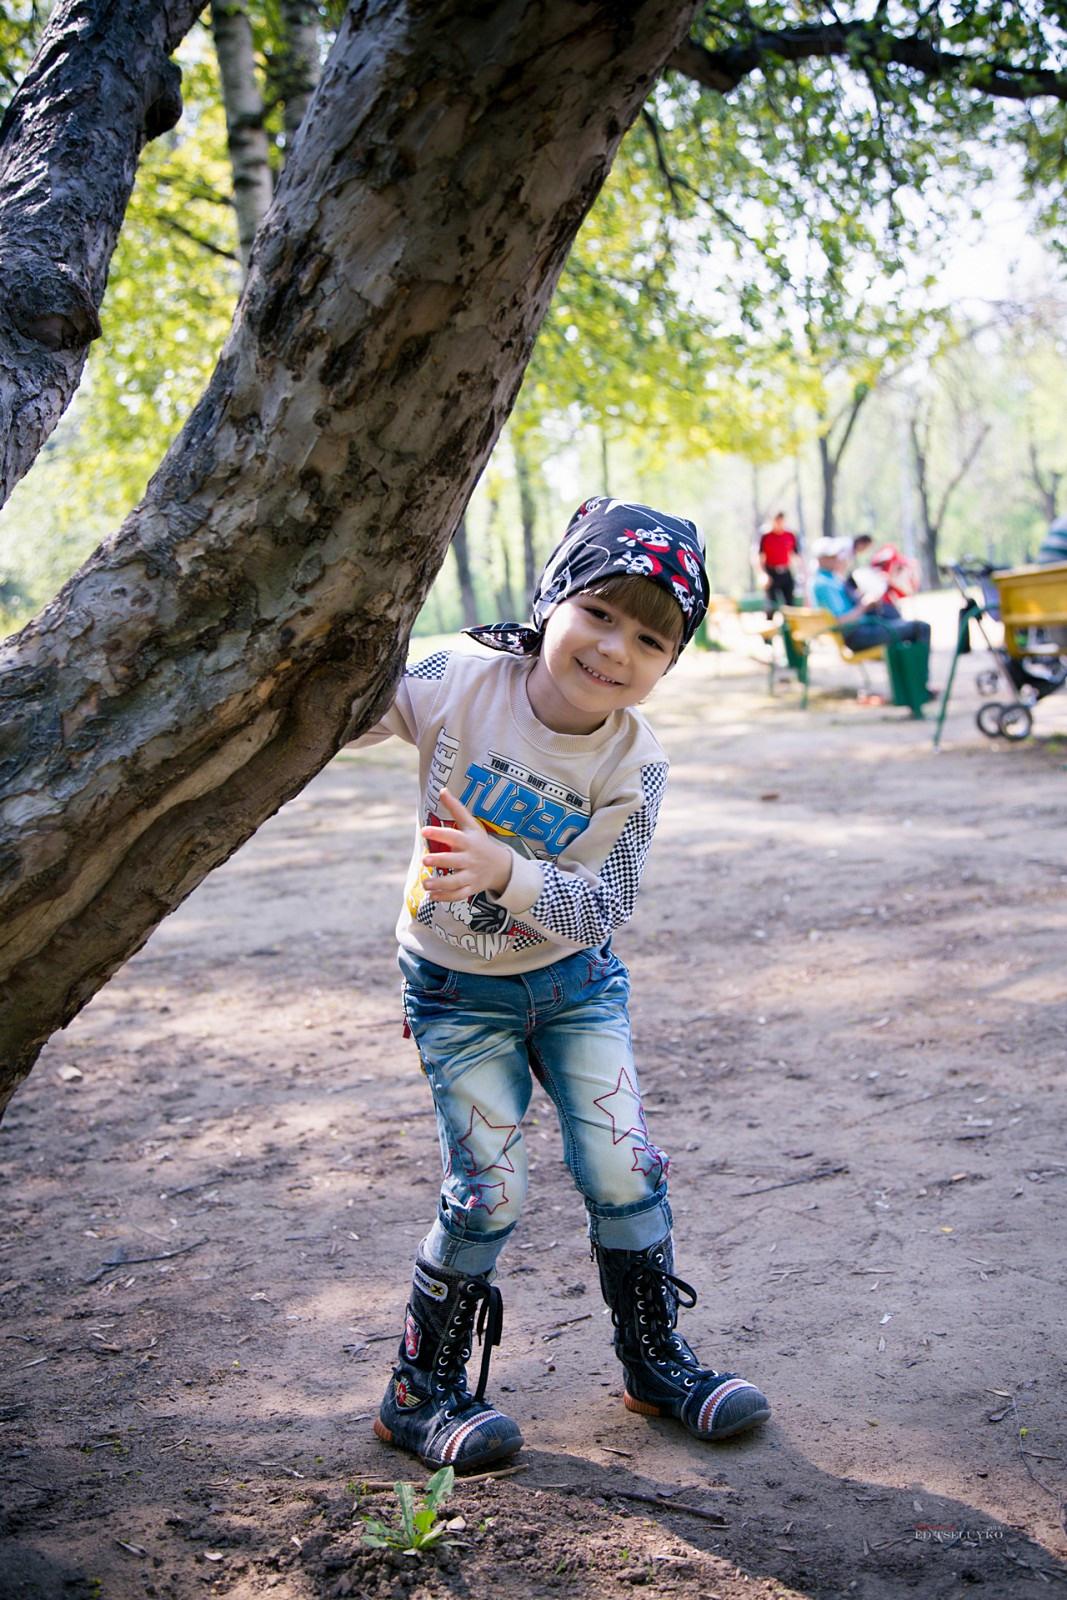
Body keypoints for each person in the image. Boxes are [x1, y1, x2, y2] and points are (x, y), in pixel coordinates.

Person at [349, 496, 771, 1471]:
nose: (614, 648)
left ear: (671, 662)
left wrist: (501, 872)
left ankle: (653, 1363)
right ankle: (418, 1392)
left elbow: (600, 903)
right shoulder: (457, 676)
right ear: (550, 599)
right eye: (598, 612)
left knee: (622, 1166)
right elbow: (341, 708)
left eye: (651, 637)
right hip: (456, 993)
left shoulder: (635, 761)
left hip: (576, 987)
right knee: (487, 1187)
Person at [810, 537, 935, 697]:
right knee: (920, 628)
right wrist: (865, 604)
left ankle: (914, 687)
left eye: (837, 555)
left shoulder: (831, 579)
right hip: (857, 635)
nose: (837, 558)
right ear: (821, 559)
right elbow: (840, 621)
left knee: (904, 623)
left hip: (862, 629)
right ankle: (919, 687)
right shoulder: (823, 584)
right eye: (832, 556)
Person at [757, 510, 800, 617]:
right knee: (771, 604)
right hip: (771, 572)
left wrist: (802, 572)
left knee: (790, 604)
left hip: (785, 572)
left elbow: (796, 554)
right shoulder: (765, 536)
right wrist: (762, 574)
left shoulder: (790, 535)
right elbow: (759, 556)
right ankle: (768, 631)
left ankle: (790, 631)